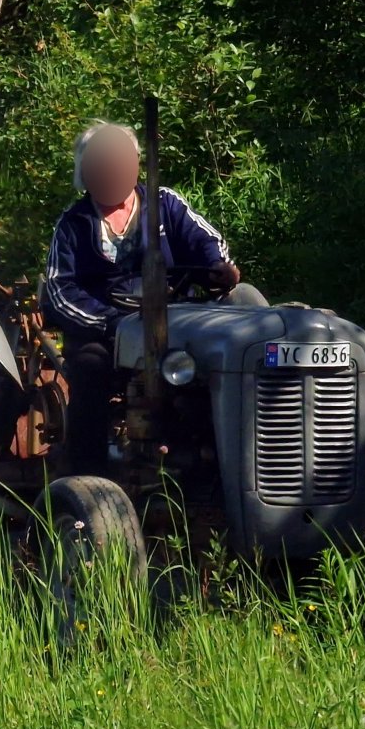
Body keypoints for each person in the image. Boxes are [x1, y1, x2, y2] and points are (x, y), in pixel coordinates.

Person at [42, 121, 242, 475]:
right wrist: (113, 324)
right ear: (85, 174)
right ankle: (87, 474)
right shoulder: (74, 224)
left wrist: (217, 267)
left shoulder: (165, 203)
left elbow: (205, 241)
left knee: (229, 347)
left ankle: (222, 460)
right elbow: (60, 290)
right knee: (89, 368)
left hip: (174, 316)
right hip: (106, 327)